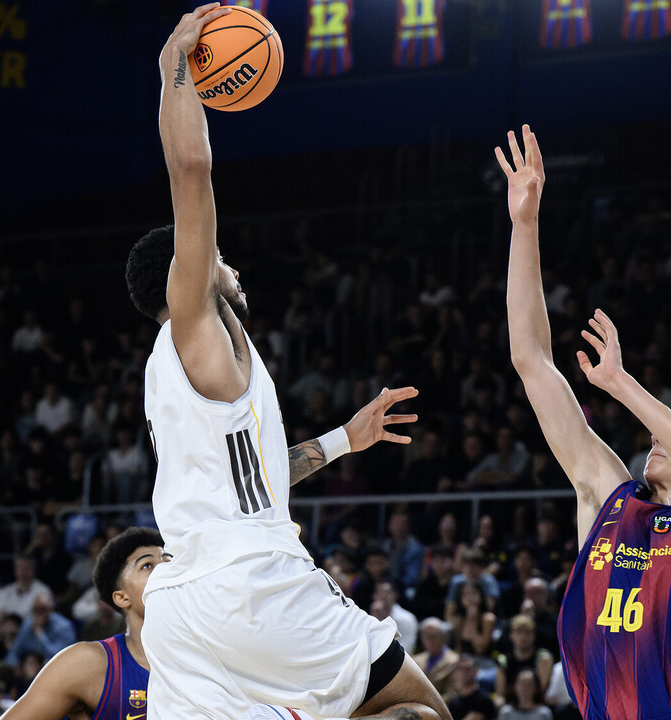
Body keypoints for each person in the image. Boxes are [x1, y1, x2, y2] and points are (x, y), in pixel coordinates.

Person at [126, 8, 449, 720]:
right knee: (424, 711)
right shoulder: (197, 325)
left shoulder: (179, 373)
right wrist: (174, 66)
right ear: (190, 269)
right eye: (217, 256)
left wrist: (343, 441)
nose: (230, 264)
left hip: (181, 612)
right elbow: (191, 168)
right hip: (251, 585)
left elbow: (258, 479)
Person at [500, 126, 671, 720]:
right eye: (658, 433)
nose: (655, 438)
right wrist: (524, 225)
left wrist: (620, 382)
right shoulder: (609, 498)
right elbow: (530, 360)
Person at [0, 528, 160, 719]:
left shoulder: (193, 658)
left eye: (169, 561)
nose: (166, 570)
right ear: (122, 597)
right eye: (147, 565)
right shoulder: (89, 664)